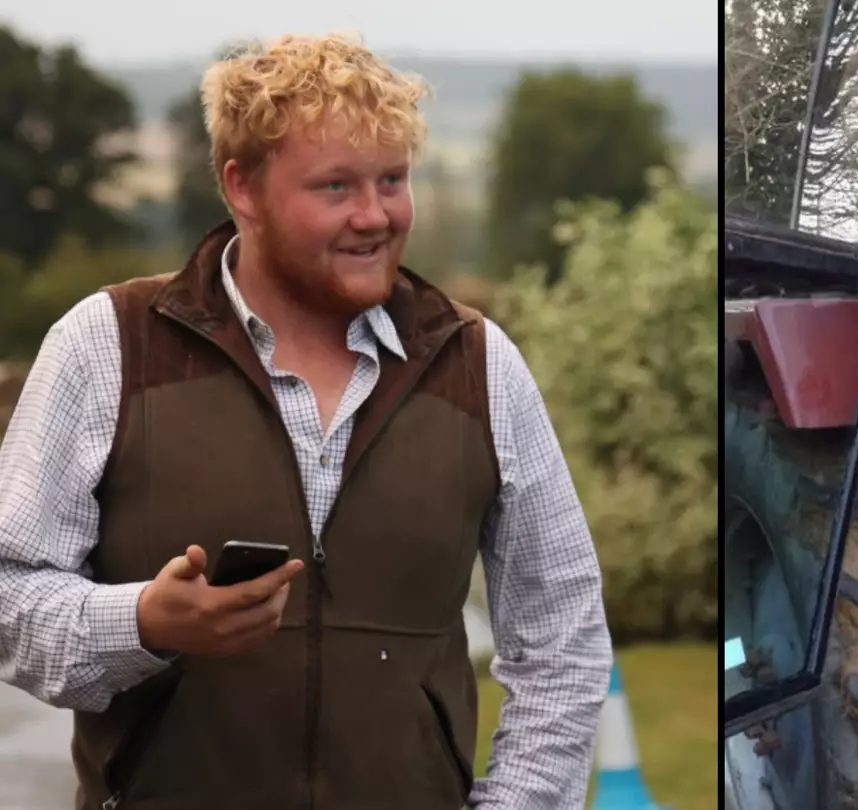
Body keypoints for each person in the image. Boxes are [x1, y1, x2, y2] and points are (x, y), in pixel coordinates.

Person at [0, 34, 611, 809]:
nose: (375, 215)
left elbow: (564, 638)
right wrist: (145, 622)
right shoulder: (108, 343)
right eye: (334, 187)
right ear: (242, 188)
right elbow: (10, 594)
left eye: (393, 179)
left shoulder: (478, 363)